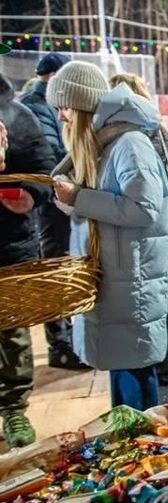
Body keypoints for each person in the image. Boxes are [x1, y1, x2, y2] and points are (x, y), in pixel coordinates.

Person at [49, 62, 168, 410]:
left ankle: (153, 456)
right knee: (125, 378)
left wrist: (79, 198)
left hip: (132, 286)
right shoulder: (106, 144)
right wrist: (73, 199)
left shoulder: (130, 144)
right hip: (118, 285)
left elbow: (143, 208)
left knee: (136, 386)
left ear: (83, 106)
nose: (61, 117)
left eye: (65, 108)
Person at [107, 72, 168, 378]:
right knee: (167, 290)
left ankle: (160, 358)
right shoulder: (154, 131)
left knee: (153, 293)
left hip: (143, 229)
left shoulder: (122, 137)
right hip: (164, 221)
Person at [0, 70, 56, 446]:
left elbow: (44, 167)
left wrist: (32, 194)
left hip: (7, 243)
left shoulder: (17, 116)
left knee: (11, 330)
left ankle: (13, 409)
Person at [19, 52, 85, 369]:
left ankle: (69, 339)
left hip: (59, 201)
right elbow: (52, 156)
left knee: (64, 268)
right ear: (55, 77)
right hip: (50, 206)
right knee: (56, 269)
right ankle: (60, 343)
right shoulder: (37, 107)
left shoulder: (42, 105)